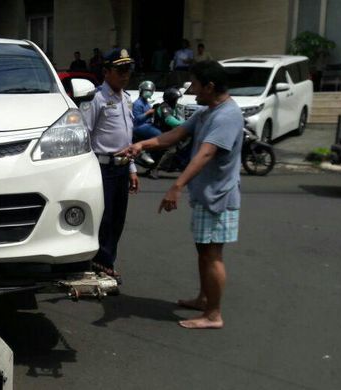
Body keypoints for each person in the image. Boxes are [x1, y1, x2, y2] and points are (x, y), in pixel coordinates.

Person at [117, 61, 244, 329]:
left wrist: (177, 186)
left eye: (195, 84)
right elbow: (175, 134)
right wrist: (141, 144)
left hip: (218, 198)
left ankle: (213, 314)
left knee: (212, 254)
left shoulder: (226, 116)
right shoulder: (208, 111)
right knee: (204, 251)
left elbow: (206, 153)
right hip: (207, 195)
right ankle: (203, 299)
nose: (191, 89)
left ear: (210, 86)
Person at [79, 48, 140, 283]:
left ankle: (106, 261)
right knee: (103, 219)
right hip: (102, 167)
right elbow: (85, 135)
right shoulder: (96, 99)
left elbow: (127, 138)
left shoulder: (126, 99)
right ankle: (101, 264)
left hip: (123, 167)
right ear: (106, 72)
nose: (125, 75)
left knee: (117, 219)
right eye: (120, 70)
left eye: (128, 70)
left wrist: (133, 169)